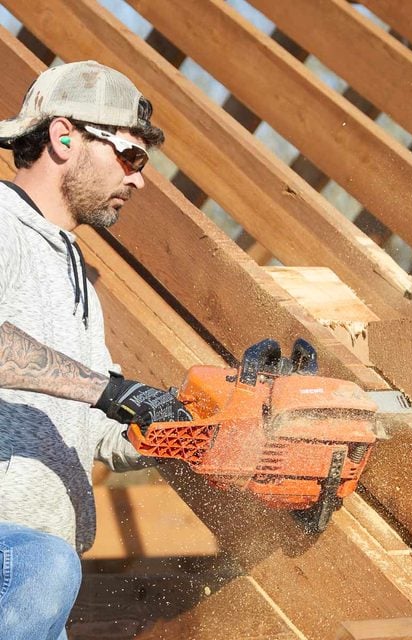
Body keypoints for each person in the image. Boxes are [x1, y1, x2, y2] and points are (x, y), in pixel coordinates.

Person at [0, 60, 191, 640]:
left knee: (47, 567)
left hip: (40, 577)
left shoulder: (73, 269)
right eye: (130, 157)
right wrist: (111, 390)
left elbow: (95, 419)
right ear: (64, 137)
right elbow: (98, 391)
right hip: (22, 560)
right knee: (42, 565)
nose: (139, 179)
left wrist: (180, 427)